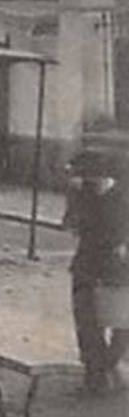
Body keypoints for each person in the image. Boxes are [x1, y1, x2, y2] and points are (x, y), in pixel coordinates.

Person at [65, 136, 128, 395]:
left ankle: (109, 363)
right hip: (87, 263)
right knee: (86, 318)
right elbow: (71, 224)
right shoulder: (83, 194)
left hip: (118, 265)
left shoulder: (123, 198)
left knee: (122, 320)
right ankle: (95, 371)